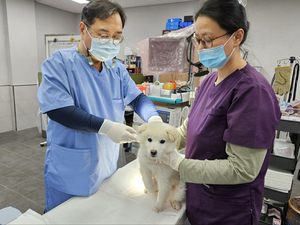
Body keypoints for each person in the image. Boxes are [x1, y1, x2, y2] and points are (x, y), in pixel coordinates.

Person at [162, 0, 281, 224]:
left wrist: (178, 164)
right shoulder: (209, 80)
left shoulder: (252, 91)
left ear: (237, 36)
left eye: (207, 40)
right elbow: (191, 128)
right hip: (200, 197)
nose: (201, 48)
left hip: (229, 211)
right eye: (197, 40)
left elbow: (242, 169)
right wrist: (161, 143)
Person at [37, 0, 162, 212]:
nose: (110, 42)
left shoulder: (117, 69)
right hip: (70, 172)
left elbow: (137, 99)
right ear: (83, 29)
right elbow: (58, 110)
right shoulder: (59, 63)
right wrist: (107, 127)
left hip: (106, 166)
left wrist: (154, 119)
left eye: (116, 37)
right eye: (103, 35)